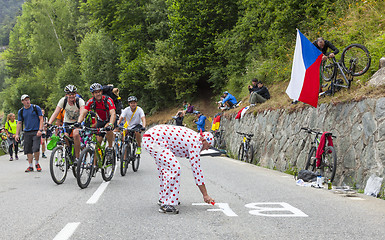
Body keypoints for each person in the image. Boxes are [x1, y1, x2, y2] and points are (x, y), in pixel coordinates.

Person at [142, 125, 215, 214]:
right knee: (174, 168)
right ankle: (167, 204)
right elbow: (197, 170)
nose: (207, 149)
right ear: (204, 141)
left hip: (151, 137)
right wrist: (205, 195)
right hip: (155, 139)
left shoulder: (193, 137)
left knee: (165, 169)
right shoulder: (196, 142)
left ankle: (164, 199)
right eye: (208, 146)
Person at [76, 83, 116, 167]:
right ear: (92, 94)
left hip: (110, 119)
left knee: (108, 130)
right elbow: (83, 113)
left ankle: (109, 148)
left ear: (102, 92)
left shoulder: (108, 100)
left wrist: (111, 124)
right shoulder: (90, 101)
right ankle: (93, 165)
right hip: (100, 121)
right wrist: (79, 123)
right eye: (95, 92)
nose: (98, 94)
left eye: (99, 91)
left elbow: (113, 113)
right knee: (96, 144)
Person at [48, 85, 85, 162]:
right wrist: (49, 123)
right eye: (69, 94)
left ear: (75, 94)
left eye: (73, 93)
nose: (71, 96)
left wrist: (79, 123)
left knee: (75, 134)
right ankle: (68, 152)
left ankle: (77, 158)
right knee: (65, 136)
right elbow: (56, 112)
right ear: (66, 95)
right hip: (67, 122)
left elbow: (82, 113)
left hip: (78, 121)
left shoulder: (80, 101)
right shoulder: (63, 101)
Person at [15, 94, 44, 172]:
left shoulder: (35, 108)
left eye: (28, 99)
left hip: (36, 131)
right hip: (27, 132)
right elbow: (19, 123)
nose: (27, 101)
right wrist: (17, 134)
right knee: (28, 150)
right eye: (25, 100)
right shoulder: (21, 111)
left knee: (35, 148)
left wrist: (40, 130)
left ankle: (37, 163)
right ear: (22, 101)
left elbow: (41, 119)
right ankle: (30, 166)